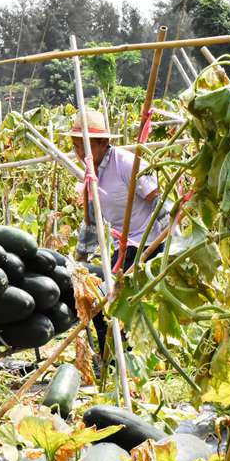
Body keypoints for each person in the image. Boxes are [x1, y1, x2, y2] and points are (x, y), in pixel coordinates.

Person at [69, 108, 169, 351]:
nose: (81, 153)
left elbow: (161, 204)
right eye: (76, 146)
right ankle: (113, 354)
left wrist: (170, 249)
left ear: (104, 143)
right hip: (122, 250)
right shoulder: (91, 175)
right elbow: (92, 222)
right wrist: (78, 259)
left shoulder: (126, 164)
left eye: (86, 146)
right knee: (88, 289)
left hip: (147, 246)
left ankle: (117, 354)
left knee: (104, 297)